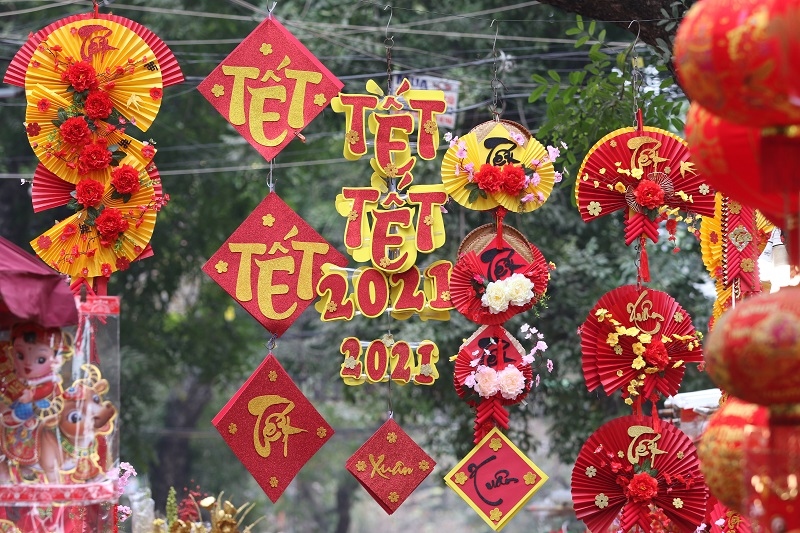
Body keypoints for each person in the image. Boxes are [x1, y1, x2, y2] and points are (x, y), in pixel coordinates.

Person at [0, 323, 65, 429]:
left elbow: (47, 389)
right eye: (20, 356)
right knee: (15, 401)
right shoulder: (17, 374)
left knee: (32, 405)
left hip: (47, 405)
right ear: (12, 353)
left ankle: (17, 417)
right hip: (21, 400)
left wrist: (32, 395)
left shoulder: (49, 379)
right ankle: (26, 418)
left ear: (56, 360)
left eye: (41, 360)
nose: (28, 363)